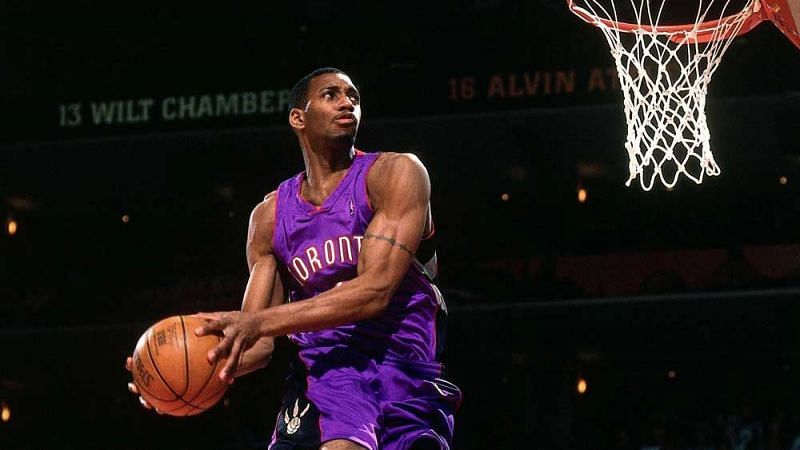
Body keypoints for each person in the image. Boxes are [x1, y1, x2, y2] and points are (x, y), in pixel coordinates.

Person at [127, 67, 460, 450]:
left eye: (353, 96)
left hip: (400, 367)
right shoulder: (269, 218)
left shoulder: (393, 174)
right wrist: (171, 372)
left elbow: (374, 292)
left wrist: (257, 323)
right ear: (298, 118)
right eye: (331, 95)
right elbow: (258, 344)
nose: (347, 103)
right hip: (326, 373)